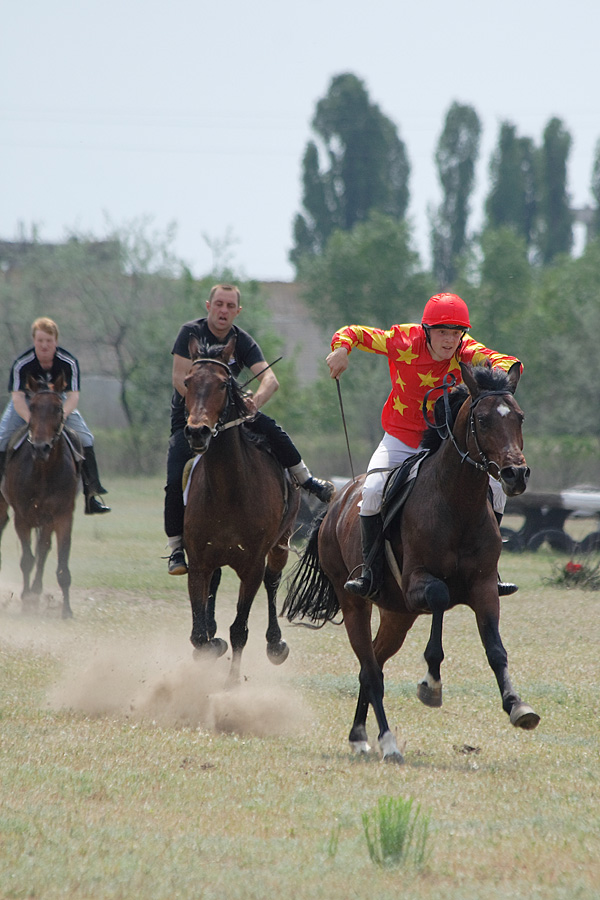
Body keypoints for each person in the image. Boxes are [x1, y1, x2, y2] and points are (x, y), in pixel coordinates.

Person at [326, 292, 521, 599]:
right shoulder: (403, 340)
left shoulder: (466, 350)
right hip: (400, 438)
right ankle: (369, 572)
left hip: (444, 444)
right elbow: (355, 333)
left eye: (456, 334)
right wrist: (341, 349)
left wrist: (503, 374)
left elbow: (505, 361)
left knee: (497, 489)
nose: (450, 341)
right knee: (374, 490)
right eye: (443, 332)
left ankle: (489, 570)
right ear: (427, 330)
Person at [164, 283, 335, 575]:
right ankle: (176, 548)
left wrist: (253, 401)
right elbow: (180, 378)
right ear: (209, 306)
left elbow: (271, 380)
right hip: (191, 418)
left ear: (238, 311)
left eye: (230, 306)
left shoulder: (242, 340)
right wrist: (203, 403)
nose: (224, 310)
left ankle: (305, 480)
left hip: (230, 414)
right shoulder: (188, 333)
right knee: (174, 473)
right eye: (219, 304)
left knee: (273, 429)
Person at [0, 317, 110, 515]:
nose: (44, 345)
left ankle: (91, 494)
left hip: (58, 406)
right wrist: (33, 422)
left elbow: (73, 396)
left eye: (48, 341)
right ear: (34, 341)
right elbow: (17, 398)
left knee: (86, 438)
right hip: (26, 405)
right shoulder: (21, 364)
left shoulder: (69, 362)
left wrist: (58, 419)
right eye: (40, 340)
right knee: (2, 439)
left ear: (56, 341)